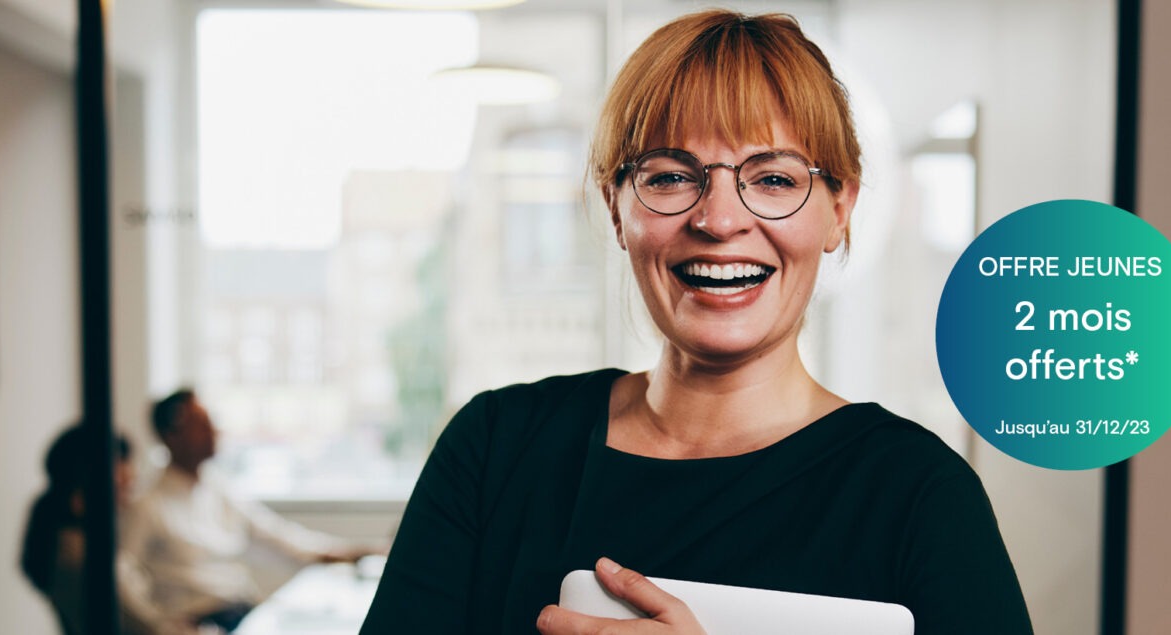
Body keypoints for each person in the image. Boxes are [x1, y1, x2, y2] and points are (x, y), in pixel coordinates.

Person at [361, 10, 1032, 635]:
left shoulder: (920, 497)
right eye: (671, 176)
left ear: (839, 208)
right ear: (616, 206)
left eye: (772, 178)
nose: (718, 219)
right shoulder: (494, 451)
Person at [122, 389, 376, 632]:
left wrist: (352, 552)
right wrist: (162, 628)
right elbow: (122, 576)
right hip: (200, 622)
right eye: (200, 425)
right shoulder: (147, 505)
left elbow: (279, 537)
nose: (213, 431)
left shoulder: (217, 489)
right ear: (172, 436)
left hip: (243, 612)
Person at [19, 425, 182, 635]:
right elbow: (150, 627)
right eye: (120, 463)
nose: (131, 475)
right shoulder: (82, 554)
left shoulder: (76, 542)